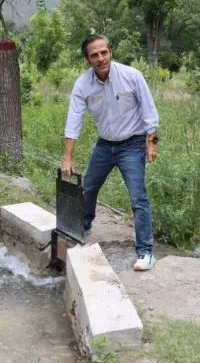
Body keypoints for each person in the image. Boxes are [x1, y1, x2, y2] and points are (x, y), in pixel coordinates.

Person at [61, 34, 160, 271]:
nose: (100, 58)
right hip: (104, 145)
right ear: (87, 59)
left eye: (103, 52)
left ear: (111, 52)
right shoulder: (83, 85)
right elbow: (74, 121)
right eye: (94, 55)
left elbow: (150, 113)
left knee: (138, 197)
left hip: (133, 144)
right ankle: (82, 228)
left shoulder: (131, 76)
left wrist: (152, 143)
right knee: (89, 186)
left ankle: (146, 252)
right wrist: (67, 157)